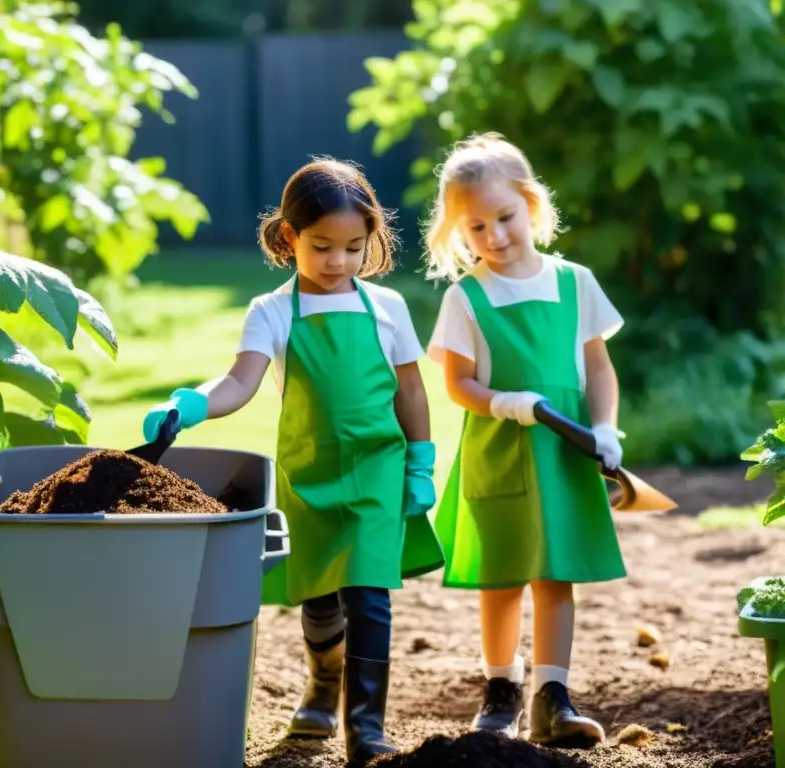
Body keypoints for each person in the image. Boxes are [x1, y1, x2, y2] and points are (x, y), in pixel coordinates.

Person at [142, 157, 445, 763]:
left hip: (378, 469)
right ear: (289, 238)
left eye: (354, 247)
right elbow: (240, 382)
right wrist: (194, 404)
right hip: (310, 474)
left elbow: (410, 390)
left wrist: (419, 461)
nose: (338, 261)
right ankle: (322, 682)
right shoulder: (272, 311)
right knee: (319, 598)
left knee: (369, 594)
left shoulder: (387, 308)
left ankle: (366, 727)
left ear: (372, 239)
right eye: (322, 246)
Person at [424, 133, 626, 749]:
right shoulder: (468, 297)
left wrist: (606, 426)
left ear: (532, 205)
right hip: (499, 453)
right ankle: (500, 688)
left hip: (561, 455)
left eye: (505, 218)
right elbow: (457, 384)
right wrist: (503, 403)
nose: (495, 236)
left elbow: (597, 368)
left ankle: (552, 695)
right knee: (502, 575)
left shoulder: (575, 283)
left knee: (554, 574)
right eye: (476, 226)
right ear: (459, 231)